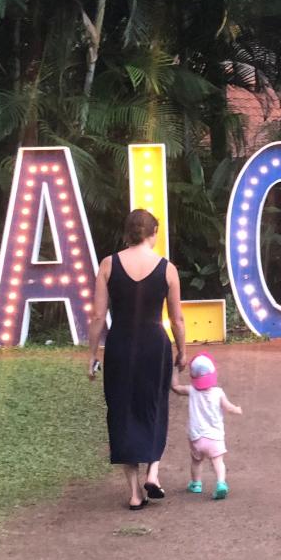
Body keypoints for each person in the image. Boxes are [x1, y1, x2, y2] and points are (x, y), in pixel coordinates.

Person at [88, 209, 186, 510]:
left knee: (122, 411)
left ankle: (133, 492)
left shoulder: (108, 264)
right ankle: (153, 474)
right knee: (154, 406)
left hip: (120, 344)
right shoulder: (167, 269)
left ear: (127, 233)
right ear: (153, 233)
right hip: (155, 346)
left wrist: (92, 355)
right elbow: (177, 318)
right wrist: (183, 350)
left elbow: (97, 316)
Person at [170, 352, 242, 500]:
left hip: (196, 436)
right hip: (215, 436)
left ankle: (196, 484)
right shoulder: (218, 392)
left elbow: (175, 387)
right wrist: (237, 409)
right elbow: (228, 407)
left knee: (196, 461)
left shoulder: (191, 390)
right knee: (218, 461)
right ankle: (221, 483)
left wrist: (176, 368)